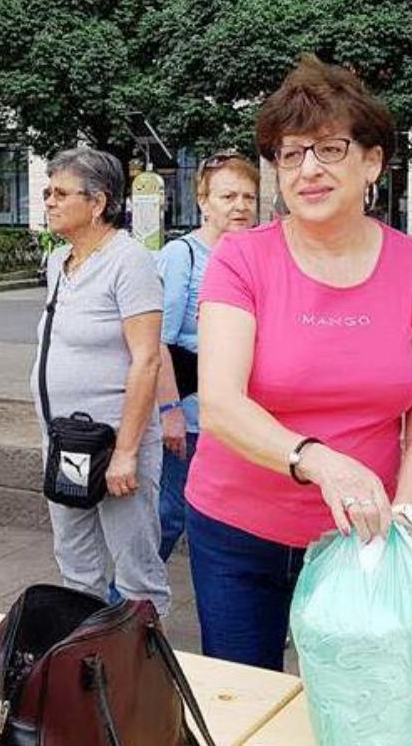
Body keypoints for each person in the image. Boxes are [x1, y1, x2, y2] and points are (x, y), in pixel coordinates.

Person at [192, 55, 412, 671]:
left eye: (329, 149)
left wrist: (407, 524)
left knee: (354, 708)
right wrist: (318, 461)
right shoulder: (241, 260)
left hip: (363, 540)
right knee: (244, 704)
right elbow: (222, 405)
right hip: (238, 531)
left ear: (372, 162)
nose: (307, 169)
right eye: (289, 154)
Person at [32, 147, 172, 617]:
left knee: (136, 574)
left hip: (114, 444)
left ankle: (142, 674)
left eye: (61, 193)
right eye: (48, 191)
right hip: (66, 442)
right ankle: (85, 665)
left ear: (97, 203)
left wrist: (128, 452)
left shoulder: (128, 261)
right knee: (76, 564)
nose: (49, 201)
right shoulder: (59, 262)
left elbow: (148, 359)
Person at [154, 153, 260, 561]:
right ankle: (123, 606)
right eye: (228, 196)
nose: (240, 206)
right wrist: (169, 410)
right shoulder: (184, 256)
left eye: (248, 197)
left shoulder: (255, 254)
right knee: (171, 515)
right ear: (203, 201)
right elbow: (156, 340)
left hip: (240, 417)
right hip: (192, 414)